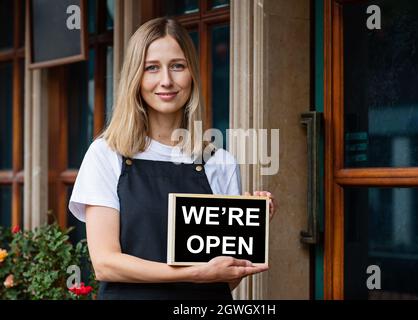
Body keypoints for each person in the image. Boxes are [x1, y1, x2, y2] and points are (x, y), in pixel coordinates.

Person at [69, 17, 276, 300]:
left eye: (177, 66)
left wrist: (252, 226)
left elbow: (224, 279)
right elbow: (106, 264)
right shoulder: (107, 154)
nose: (166, 80)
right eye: (152, 68)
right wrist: (191, 274)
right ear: (136, 78)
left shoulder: (221, 162)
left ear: (191, 74)